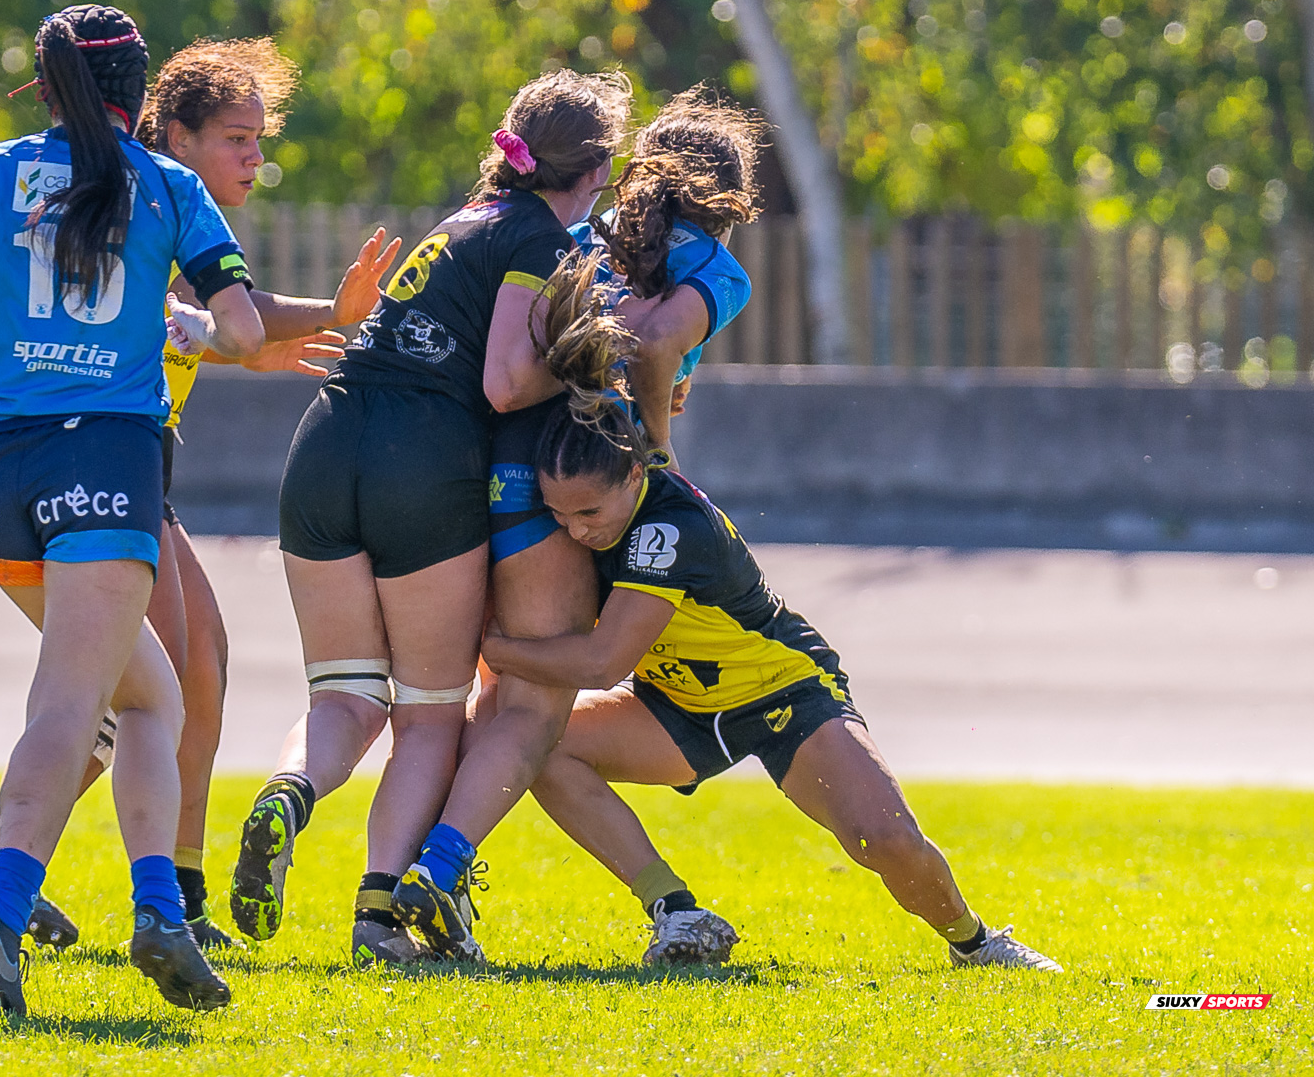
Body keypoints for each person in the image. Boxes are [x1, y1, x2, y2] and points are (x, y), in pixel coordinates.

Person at [0, 37, 399, 953]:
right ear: (177, 136)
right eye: (237, 139)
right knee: (146, 685)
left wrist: (267, 340)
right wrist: (319, 317)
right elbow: (226, 319)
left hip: (129, 469)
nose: (254, 160)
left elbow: (219, 327)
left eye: (259, 141)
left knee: (182, 670)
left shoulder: (161, 206)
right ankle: (109, 886)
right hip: (105, 470)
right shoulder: (152, 199)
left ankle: (65, 869)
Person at [0, 4, 265, 1015]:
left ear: (45, 89)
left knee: (149, 697)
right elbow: (243, 328)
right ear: (139, 93)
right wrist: (194, 328)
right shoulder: (170, 185)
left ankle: (159, 911)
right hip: (105, 457)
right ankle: (4, 904)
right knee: (72, 702)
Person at [229, 70, 633, 967]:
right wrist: (587, 360)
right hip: (420, 458)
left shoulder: (462, 221)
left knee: (344, 694)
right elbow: (503, 382)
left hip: (324, 444)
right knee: (428, 716)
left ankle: (291, 790)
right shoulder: (539, 236)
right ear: (594, 169)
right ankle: (378, 916)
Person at [478, 389, 1064, 973]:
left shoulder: (669, 528)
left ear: (634, 475)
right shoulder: (596, 521)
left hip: (783, 693)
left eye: (588, 513)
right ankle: (675, 910)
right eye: (559, 515)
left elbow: (603, 663)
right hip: (679, 705)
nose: (575, 531)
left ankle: (976, 943)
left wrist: (498, 650)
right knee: (537, 743)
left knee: (885, 842)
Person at [390, 91, 762, 961]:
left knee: (500, 701)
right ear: (730, 200)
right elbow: (655, 339)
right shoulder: (713, 265)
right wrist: (654, 450)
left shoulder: (587, 236)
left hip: (497, 468)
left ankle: (426, 878)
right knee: (539, 706)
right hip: (572, 484)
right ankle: (438, 870)